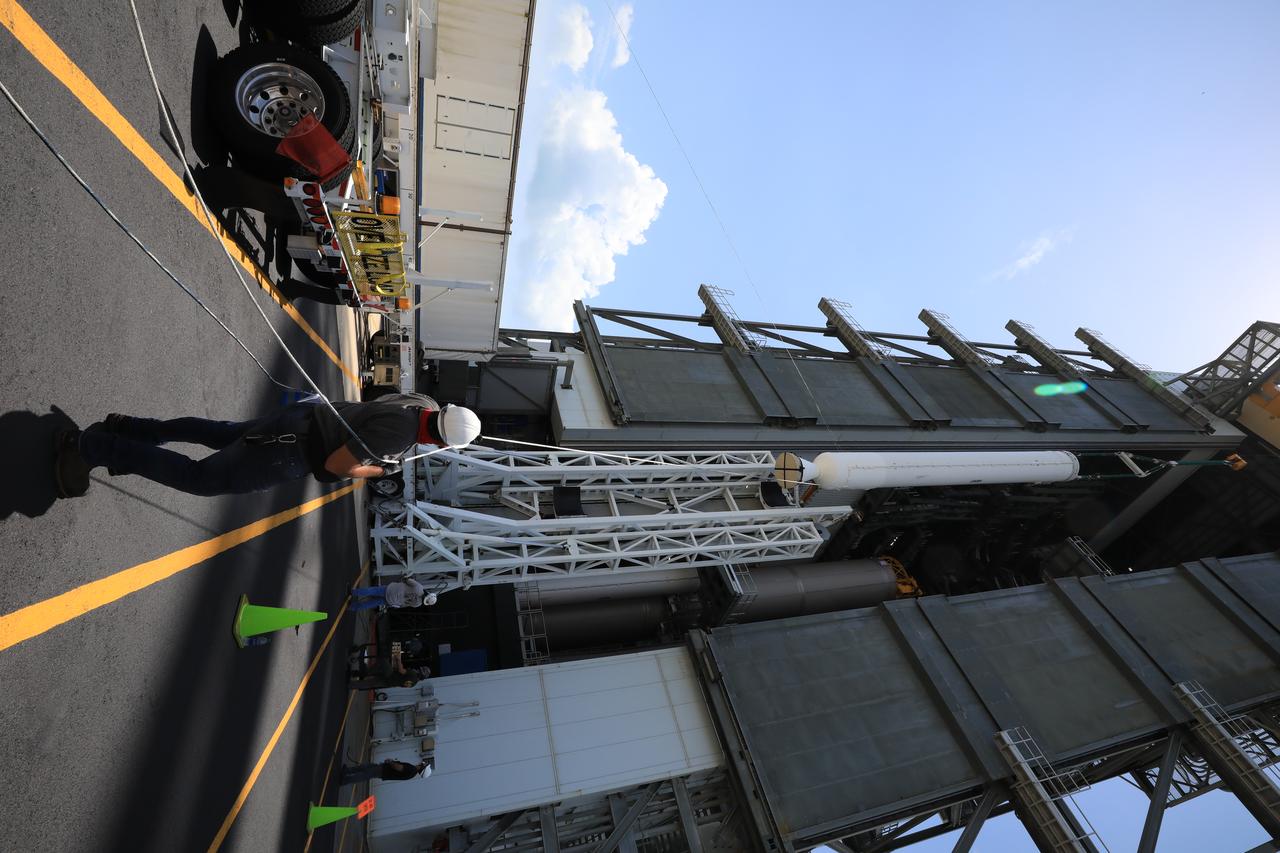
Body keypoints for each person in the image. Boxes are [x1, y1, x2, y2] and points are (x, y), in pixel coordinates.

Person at [51, 393, 481, 499]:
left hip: (299, 419)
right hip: (293, 448)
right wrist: (378, 470)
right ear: (441, 442)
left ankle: (128, 429)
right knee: (198, 478)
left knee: (215, 433)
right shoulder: (401, 439)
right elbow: (335, 465)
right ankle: (92, 448)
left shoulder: (417, 404)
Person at [350, 576, 437, 612]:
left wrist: (406, 578)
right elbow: (406, 604)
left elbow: (407, 580)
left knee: (372, 591)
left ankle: (353, 592)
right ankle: (352, 607)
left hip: (391, 590)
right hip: (393, 601)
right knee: (372, 603)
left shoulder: (419, 587)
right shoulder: (418, 604)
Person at [339, 758, 429, 786]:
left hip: (384, 770)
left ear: (421, 768)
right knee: (365, 767)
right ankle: (347, 771)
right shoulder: (412, 773)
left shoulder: (412, 769)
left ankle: (346, 780)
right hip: (384, 771)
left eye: (422, 765)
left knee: (364, 774)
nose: (421, 763)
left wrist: (390, 762)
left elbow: (398, 767)